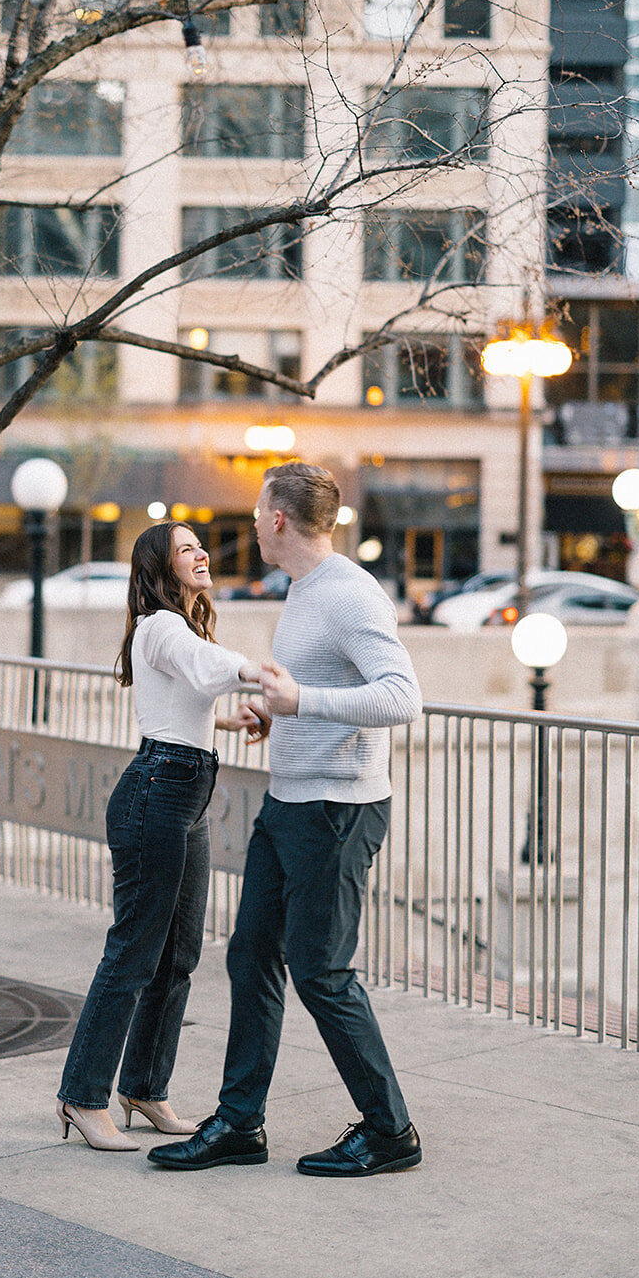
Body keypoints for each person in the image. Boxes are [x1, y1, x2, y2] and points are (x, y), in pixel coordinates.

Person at [149, 461, 424, 1178]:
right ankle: (240, 1123)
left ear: (277, 519)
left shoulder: (348, 594)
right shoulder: (303, 590)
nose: (249, 523)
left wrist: (303, 704)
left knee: (321, 973)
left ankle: (390, 1131)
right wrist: (273, 713)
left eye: (255, 510)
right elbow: (312, 686)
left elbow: (399, 696)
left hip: (337, 808)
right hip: (290, 799)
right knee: (250, 955)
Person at [56, 520, 268, 1152]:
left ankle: (145, 1086)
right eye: (186, 549)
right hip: (157, 796)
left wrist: (224, 719)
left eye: (200, 545)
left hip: (185, 795)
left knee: (178, 956)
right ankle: (82, 1096)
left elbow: (182, 700)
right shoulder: (161, 626)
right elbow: (203, 669)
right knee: (133, 954)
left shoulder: (179, 628)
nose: (201, 553)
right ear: (160, 568)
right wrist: (258, 672)